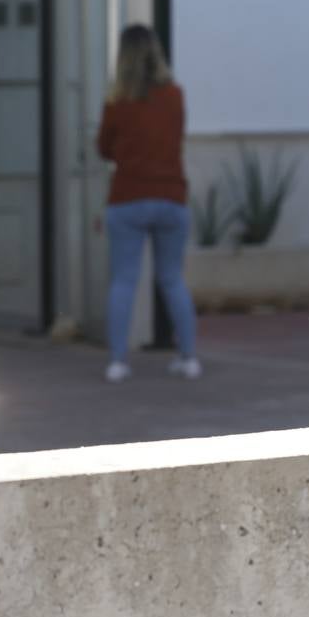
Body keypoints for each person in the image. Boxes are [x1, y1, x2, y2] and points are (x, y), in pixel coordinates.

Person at [96, 24, 200, 384]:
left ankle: (118, 362)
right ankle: (188, 358)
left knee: (124, 280)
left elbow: (103, 148)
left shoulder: (116, 101)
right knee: (172, 279)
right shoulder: (174, 95)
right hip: (171, 196)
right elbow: (176, 137)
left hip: (127, 197)